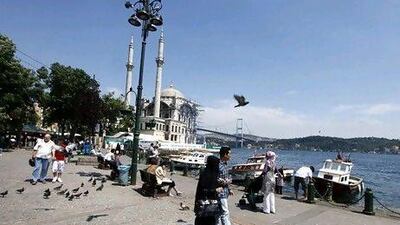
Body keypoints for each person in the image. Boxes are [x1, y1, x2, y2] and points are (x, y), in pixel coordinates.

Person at [194, 155, 221, 225]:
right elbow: (203, 190)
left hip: (210, 206)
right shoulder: (205, 174)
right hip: (204, 204)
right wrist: (215, 190)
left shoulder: (213, 174)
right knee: (203, 220)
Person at [217, 146, 233, 225]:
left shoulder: (226, 164)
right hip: (220, 192)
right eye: (229, 154)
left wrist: (230, 189)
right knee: (225, 211)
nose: (231, 155)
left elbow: (228, 177)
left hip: (225, 191)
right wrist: (225, 182)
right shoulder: (218, 165)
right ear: (225, 154)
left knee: (220, 212)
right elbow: (216, 178)